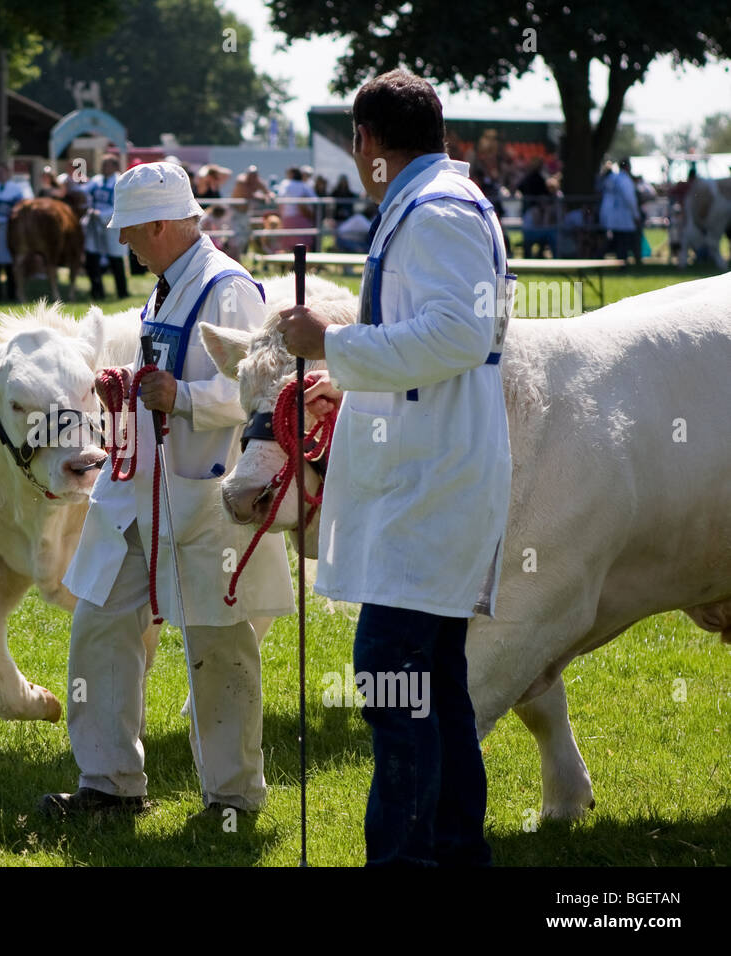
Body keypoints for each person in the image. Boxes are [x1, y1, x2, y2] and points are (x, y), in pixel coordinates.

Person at [278, 69, 512, 867]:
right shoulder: (436, 200)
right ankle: (452, 850)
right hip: (433, 468)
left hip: (432, 478)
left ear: (366, 141)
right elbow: (427, 338)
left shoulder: (436, 209)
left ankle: (410, 859)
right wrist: (339, 372)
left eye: (356, 144)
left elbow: (453, 335)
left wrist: (332, 344)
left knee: (390, 675)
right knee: (434, 678)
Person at [40, 161, 295, 821]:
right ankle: (109, 786)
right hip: (140, 494)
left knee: (218, 646)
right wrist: (128, 377)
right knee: (99, 626)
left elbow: (262, 389)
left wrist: (181, 397)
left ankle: (233, 799)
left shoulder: (227, 289)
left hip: (205, 500)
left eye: (129, 230)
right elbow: (167, 366)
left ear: (159, 224)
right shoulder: (167, 286)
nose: (122, 242)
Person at [81, 154, 129, 300]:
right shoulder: (97, 180)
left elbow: (120, 206)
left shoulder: (119, 182)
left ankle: (122, 292)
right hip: (95, 225)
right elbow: (83, 191)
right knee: (92, 256)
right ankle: (97, 291)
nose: (103, 168)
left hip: (111, 225)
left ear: (114, 166)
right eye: (102, 164)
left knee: (115, 259)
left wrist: (101, 214)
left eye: (106, 164)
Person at [0, 160, 31, 300]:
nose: (0, 175)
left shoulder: (16, 188)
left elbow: (21, 206)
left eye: (2, 172)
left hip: (8, 228)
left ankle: (12, 293)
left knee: (9, 261)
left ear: (8, 173)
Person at [599, 158, 640, 263]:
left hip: (610, 214)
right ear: (628, 167)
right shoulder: (625, 180)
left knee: (614, 240)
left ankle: (601, 258)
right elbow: (630, 199)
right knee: (623, 242)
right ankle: (623, 263)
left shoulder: (612, 178)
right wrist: (636, 215)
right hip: (624, 216)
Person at [276, 165, 317, 244]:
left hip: (289, 217)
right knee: (304, 244)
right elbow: (315, 199)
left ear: (291, 174)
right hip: (303, 219)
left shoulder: (285, 183)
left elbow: (280, 196)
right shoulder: (304, 185)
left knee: (289, 245)